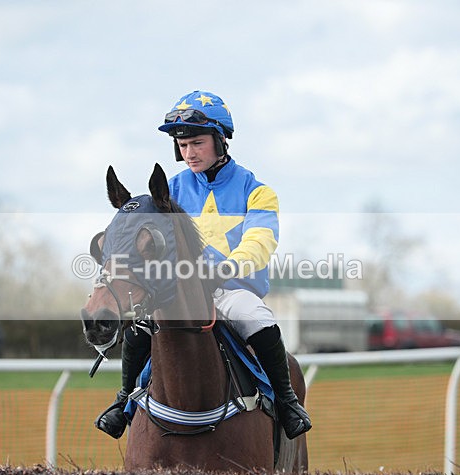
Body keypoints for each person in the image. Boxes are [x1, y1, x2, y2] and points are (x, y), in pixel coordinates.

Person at [95, 90, 311, 440]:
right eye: (183, 146)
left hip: (232, 289)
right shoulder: (169, 192)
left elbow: (260, 242)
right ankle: (124, 401)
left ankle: (286, 401)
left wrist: (226, 269)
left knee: (258, 319)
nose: (189, 153)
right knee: (141, 325)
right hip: (180, 293)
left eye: (196, 143)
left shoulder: (257, 192)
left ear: (220, 140)